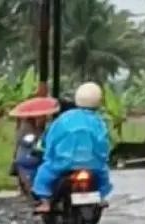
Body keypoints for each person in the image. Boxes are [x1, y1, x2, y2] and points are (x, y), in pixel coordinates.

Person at [31, 82, 112, 213]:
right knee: (103, 176)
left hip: (63, 163)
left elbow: (51, 139)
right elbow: (103, 143)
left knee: (43, 174)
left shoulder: (63, 119)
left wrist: (48, 154)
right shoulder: (98, 122)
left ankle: (45, 203)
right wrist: (102, 159)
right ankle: (101, 198)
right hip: (93, 164)